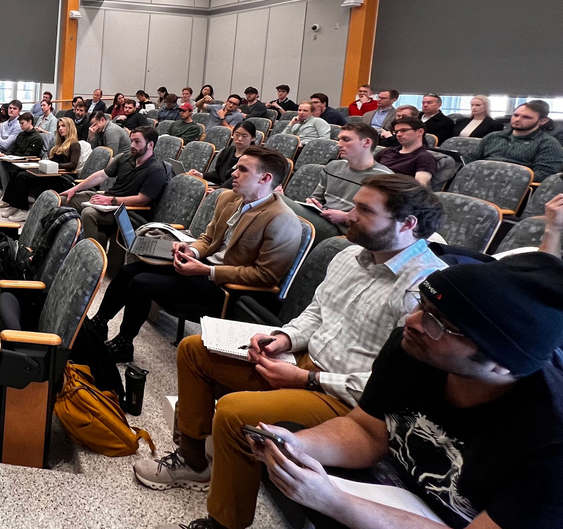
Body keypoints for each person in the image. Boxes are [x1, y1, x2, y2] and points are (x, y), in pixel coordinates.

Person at [147, 175, 447, 529]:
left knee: (231, 412)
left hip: (349, 398)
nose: (349, 215)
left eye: (365, 210)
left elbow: (394, 385)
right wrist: (283, 338)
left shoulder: (426, 288)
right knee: (195, 349)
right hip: (305, 363)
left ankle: (224, 523)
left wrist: (308, 379)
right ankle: (194, 462)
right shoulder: (351, 255)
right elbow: (317, 313)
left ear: (407, 224)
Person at [253, 252, 563, 529]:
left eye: (437, 323)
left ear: (501, 364)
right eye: (422, 305)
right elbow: (365, 430)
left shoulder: (551, 439)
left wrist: (335, 501)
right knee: (290, 439)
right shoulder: (411, 349)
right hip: (398, 487)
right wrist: (292, 445)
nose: (411, 321)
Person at [94, 147, 303, 363]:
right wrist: (191, 250)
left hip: (227, 288)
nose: (233, 172)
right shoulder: (229, 198)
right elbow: (208, 238)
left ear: (265, 178)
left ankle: (123, 344)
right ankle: (98, 325)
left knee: (141, 283)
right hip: (202, 267)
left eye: (242, 169)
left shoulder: (282, 220)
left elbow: (265, 276)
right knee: (129, 271)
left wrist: (207, 270)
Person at [284, 123, 392, 244]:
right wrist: (315, 204)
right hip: (322, 219)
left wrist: (345, 217)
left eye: (346, 140)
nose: (339, 144)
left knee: (276, 200)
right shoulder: (333, 167)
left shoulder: (383, 178)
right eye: (339, 139)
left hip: (345, 230)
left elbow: (380, 222)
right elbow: (317, 198)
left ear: (366, 143)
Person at [60, 126, 167, 247]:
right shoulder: (125, 157)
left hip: (129, 211)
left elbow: (142, 200)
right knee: (63, 200)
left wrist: (111, 200)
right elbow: (101, 176)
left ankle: (91, 256)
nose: (132, 145)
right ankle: (64, 247)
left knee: (88, 213)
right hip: (109, 201)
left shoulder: (156, 169)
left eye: (137, 142)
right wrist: (74, 189)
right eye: (131, 141)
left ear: (150, 145)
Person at [1, 117, 82, 222]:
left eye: (63, 126)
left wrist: (54, 165)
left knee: (22, 177)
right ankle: (14, 204)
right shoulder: (60, 143)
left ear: (70, 127)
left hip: (59, 176)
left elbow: (72, 164)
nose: (60, 129)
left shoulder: (74, 144)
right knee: (17, 172)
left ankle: (23, 209)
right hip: (49, 172)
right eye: (59, 127)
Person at [472, 100, 563, 182]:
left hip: (514, 187)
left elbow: (544, 174)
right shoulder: (493, 137)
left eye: (526, 117)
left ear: (543, 121)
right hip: (478, 179)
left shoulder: (548, 143)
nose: (518, 119)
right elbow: (472, 158)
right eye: (515, 115)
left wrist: (501, 176)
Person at [0, 112, 45, 208]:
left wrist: (13, 159)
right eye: (20, 124)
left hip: (26, 163)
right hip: (15, 160)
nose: (20, 126)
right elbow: (13, 149)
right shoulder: (21, 135)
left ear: (30, 122)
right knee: (2, 163)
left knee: (17, 173)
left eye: (22, 123)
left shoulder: (37, 138)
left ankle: (8, 199)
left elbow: (29, 155)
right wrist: (5, 155)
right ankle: (7, 198)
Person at [190, 120, 255, 189]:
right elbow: (218, 174)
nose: (239, 139)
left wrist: (219, 192)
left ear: (253, 138)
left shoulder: (252, 157)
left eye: (244, 136)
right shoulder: (227, 151)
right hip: (220, 188)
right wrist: (202, 175)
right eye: (237, 134)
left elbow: (240, 182)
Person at [374, 118, 437, 186]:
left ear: (420, 132)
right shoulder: (387, 151)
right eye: (396, 132)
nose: (398, 134)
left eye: (403, 130)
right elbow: (368, 168)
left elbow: (419, 186)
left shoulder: (425, 157)